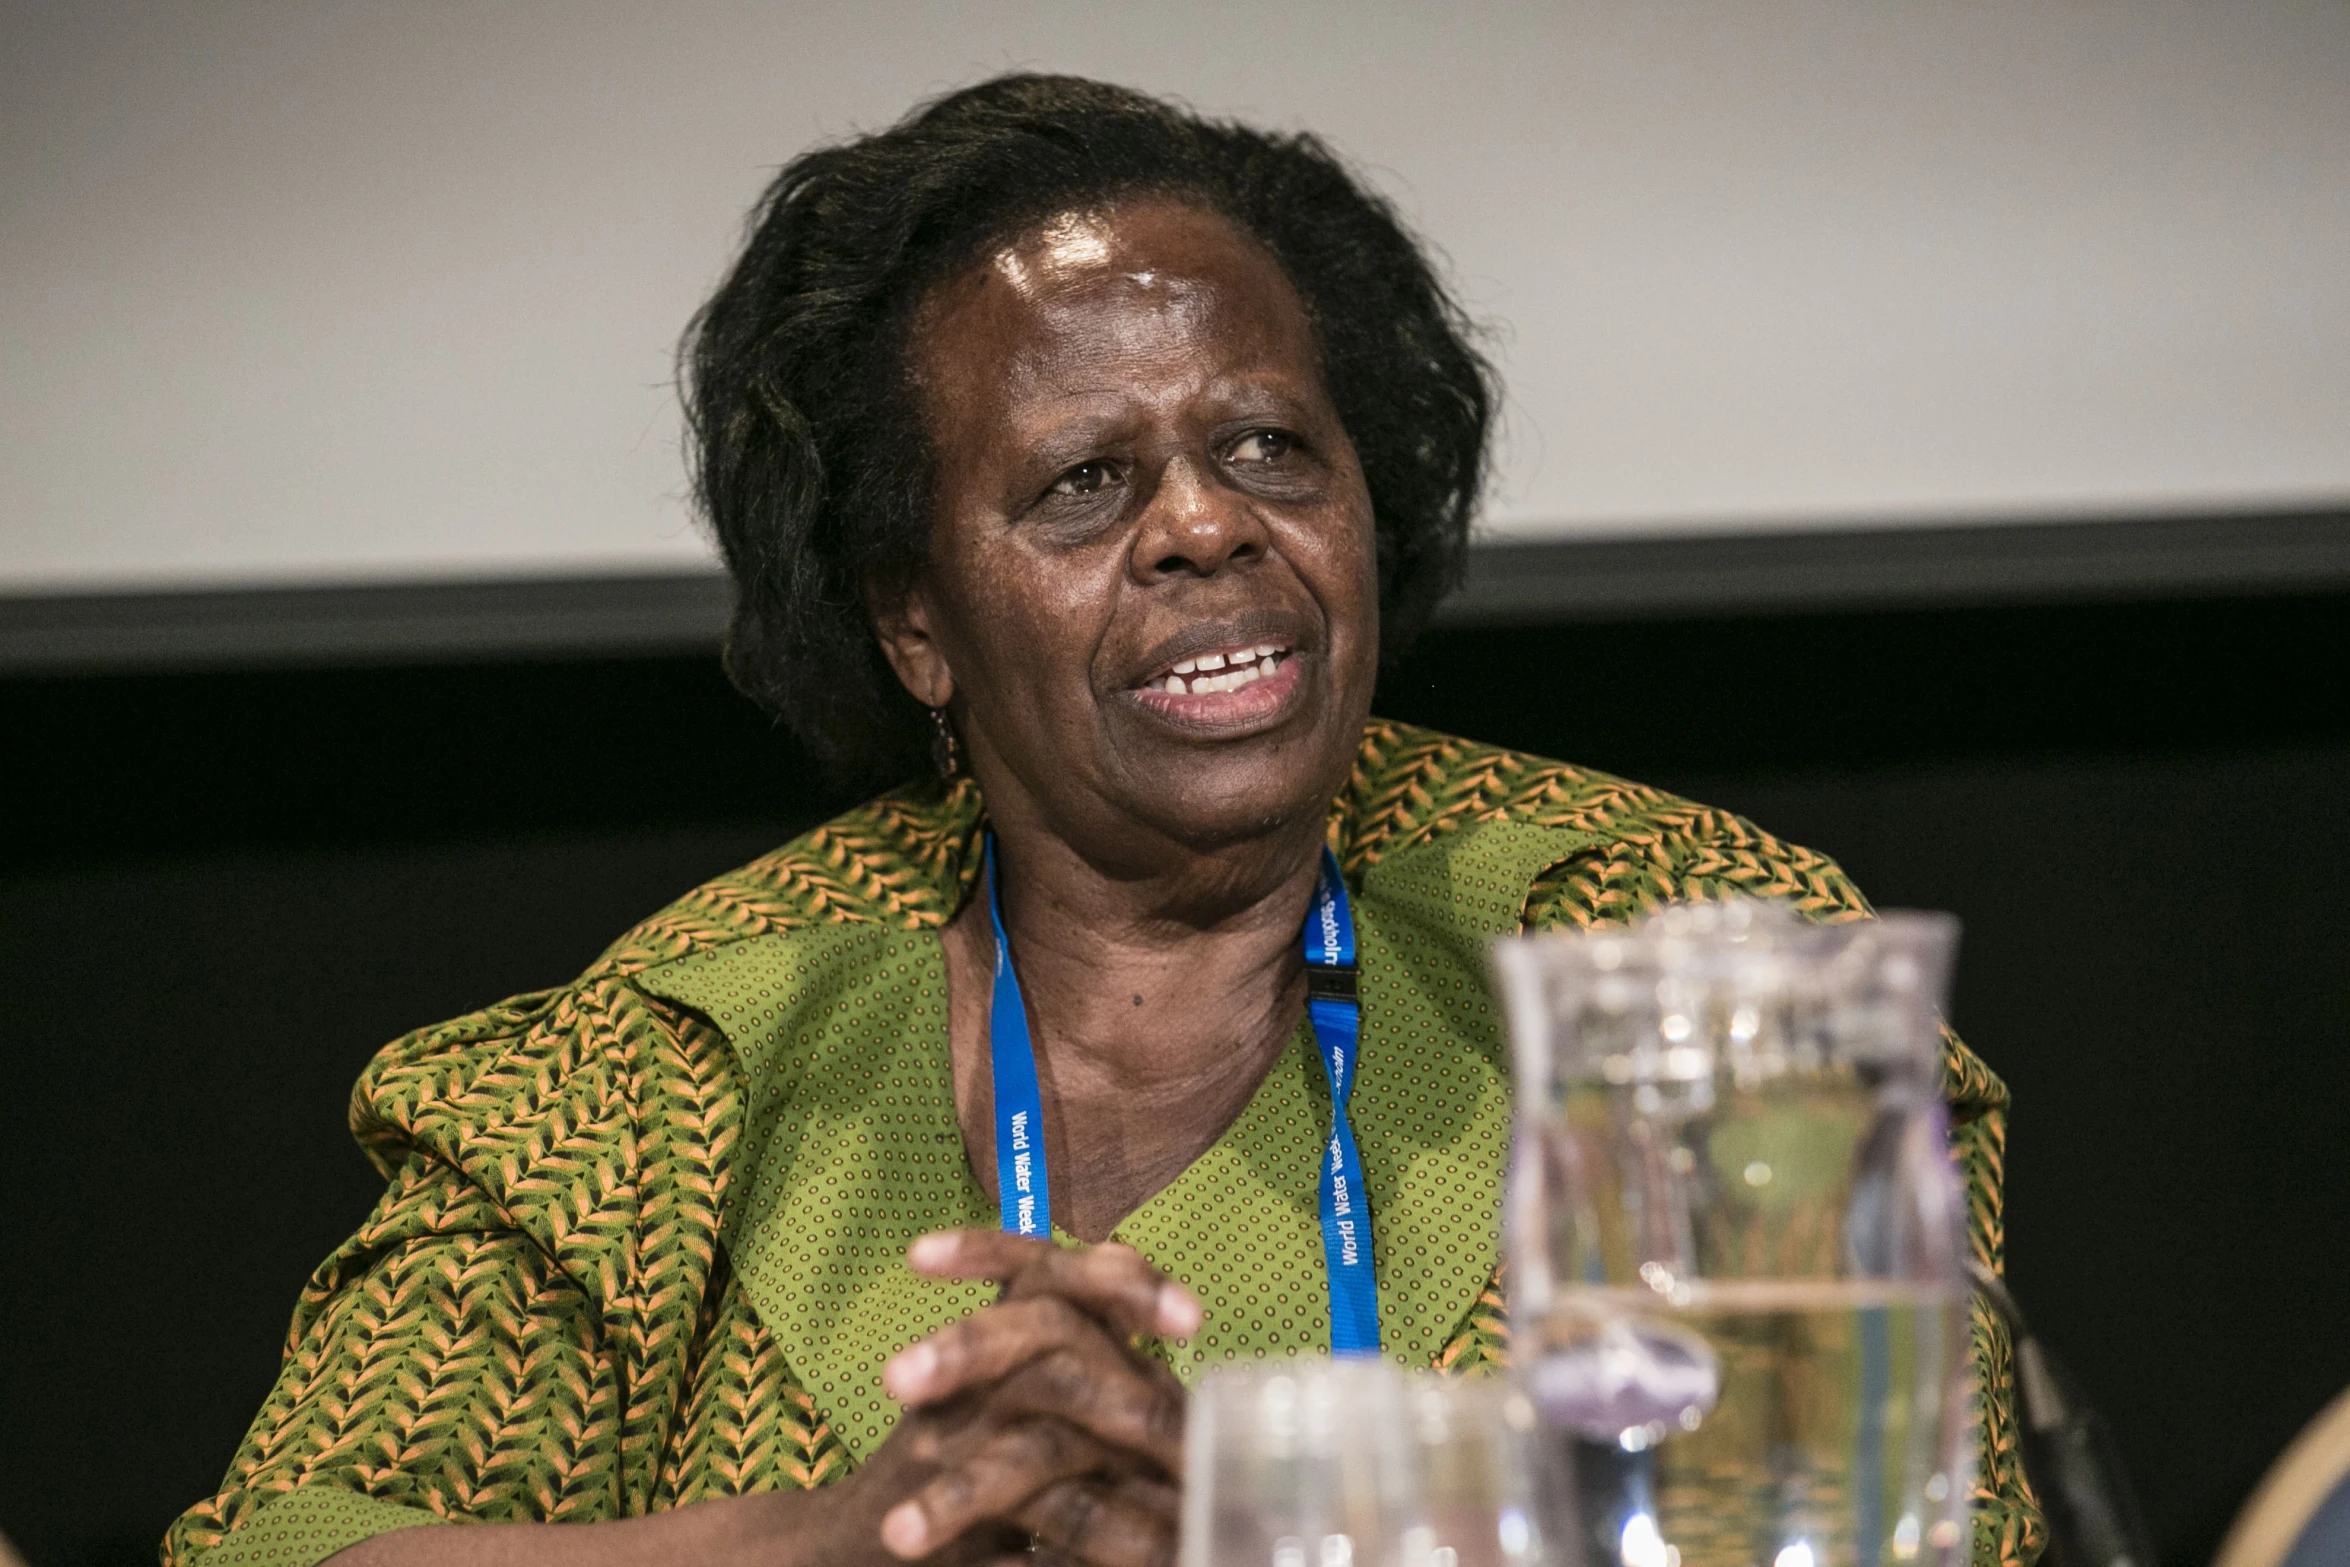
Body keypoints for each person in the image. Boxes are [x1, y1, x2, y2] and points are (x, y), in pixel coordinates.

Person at [164, 75, 2042, 1567]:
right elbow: (293, 1546)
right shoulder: (677, 1057)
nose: (1206, 525)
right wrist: (834, 1544)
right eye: (1082, 482)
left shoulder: (1667, 938)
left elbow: (1862, 1532)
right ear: (913, 620)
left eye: (1267, 446)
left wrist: (1276, 1527)